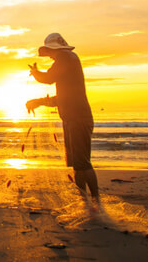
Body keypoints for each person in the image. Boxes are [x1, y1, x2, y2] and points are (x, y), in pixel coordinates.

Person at [25, 33, 100, 209]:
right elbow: (63, 97)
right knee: (77, 165)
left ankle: (97, 203)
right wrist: (39, 102)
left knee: (83, 163)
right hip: (72, 118)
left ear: (54, 48)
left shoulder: (66, 58)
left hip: (78, 119)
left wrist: (35, 73)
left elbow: (48, 78)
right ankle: (85, 202)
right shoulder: (68, 60)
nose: (49, 56)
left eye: (50, 51)